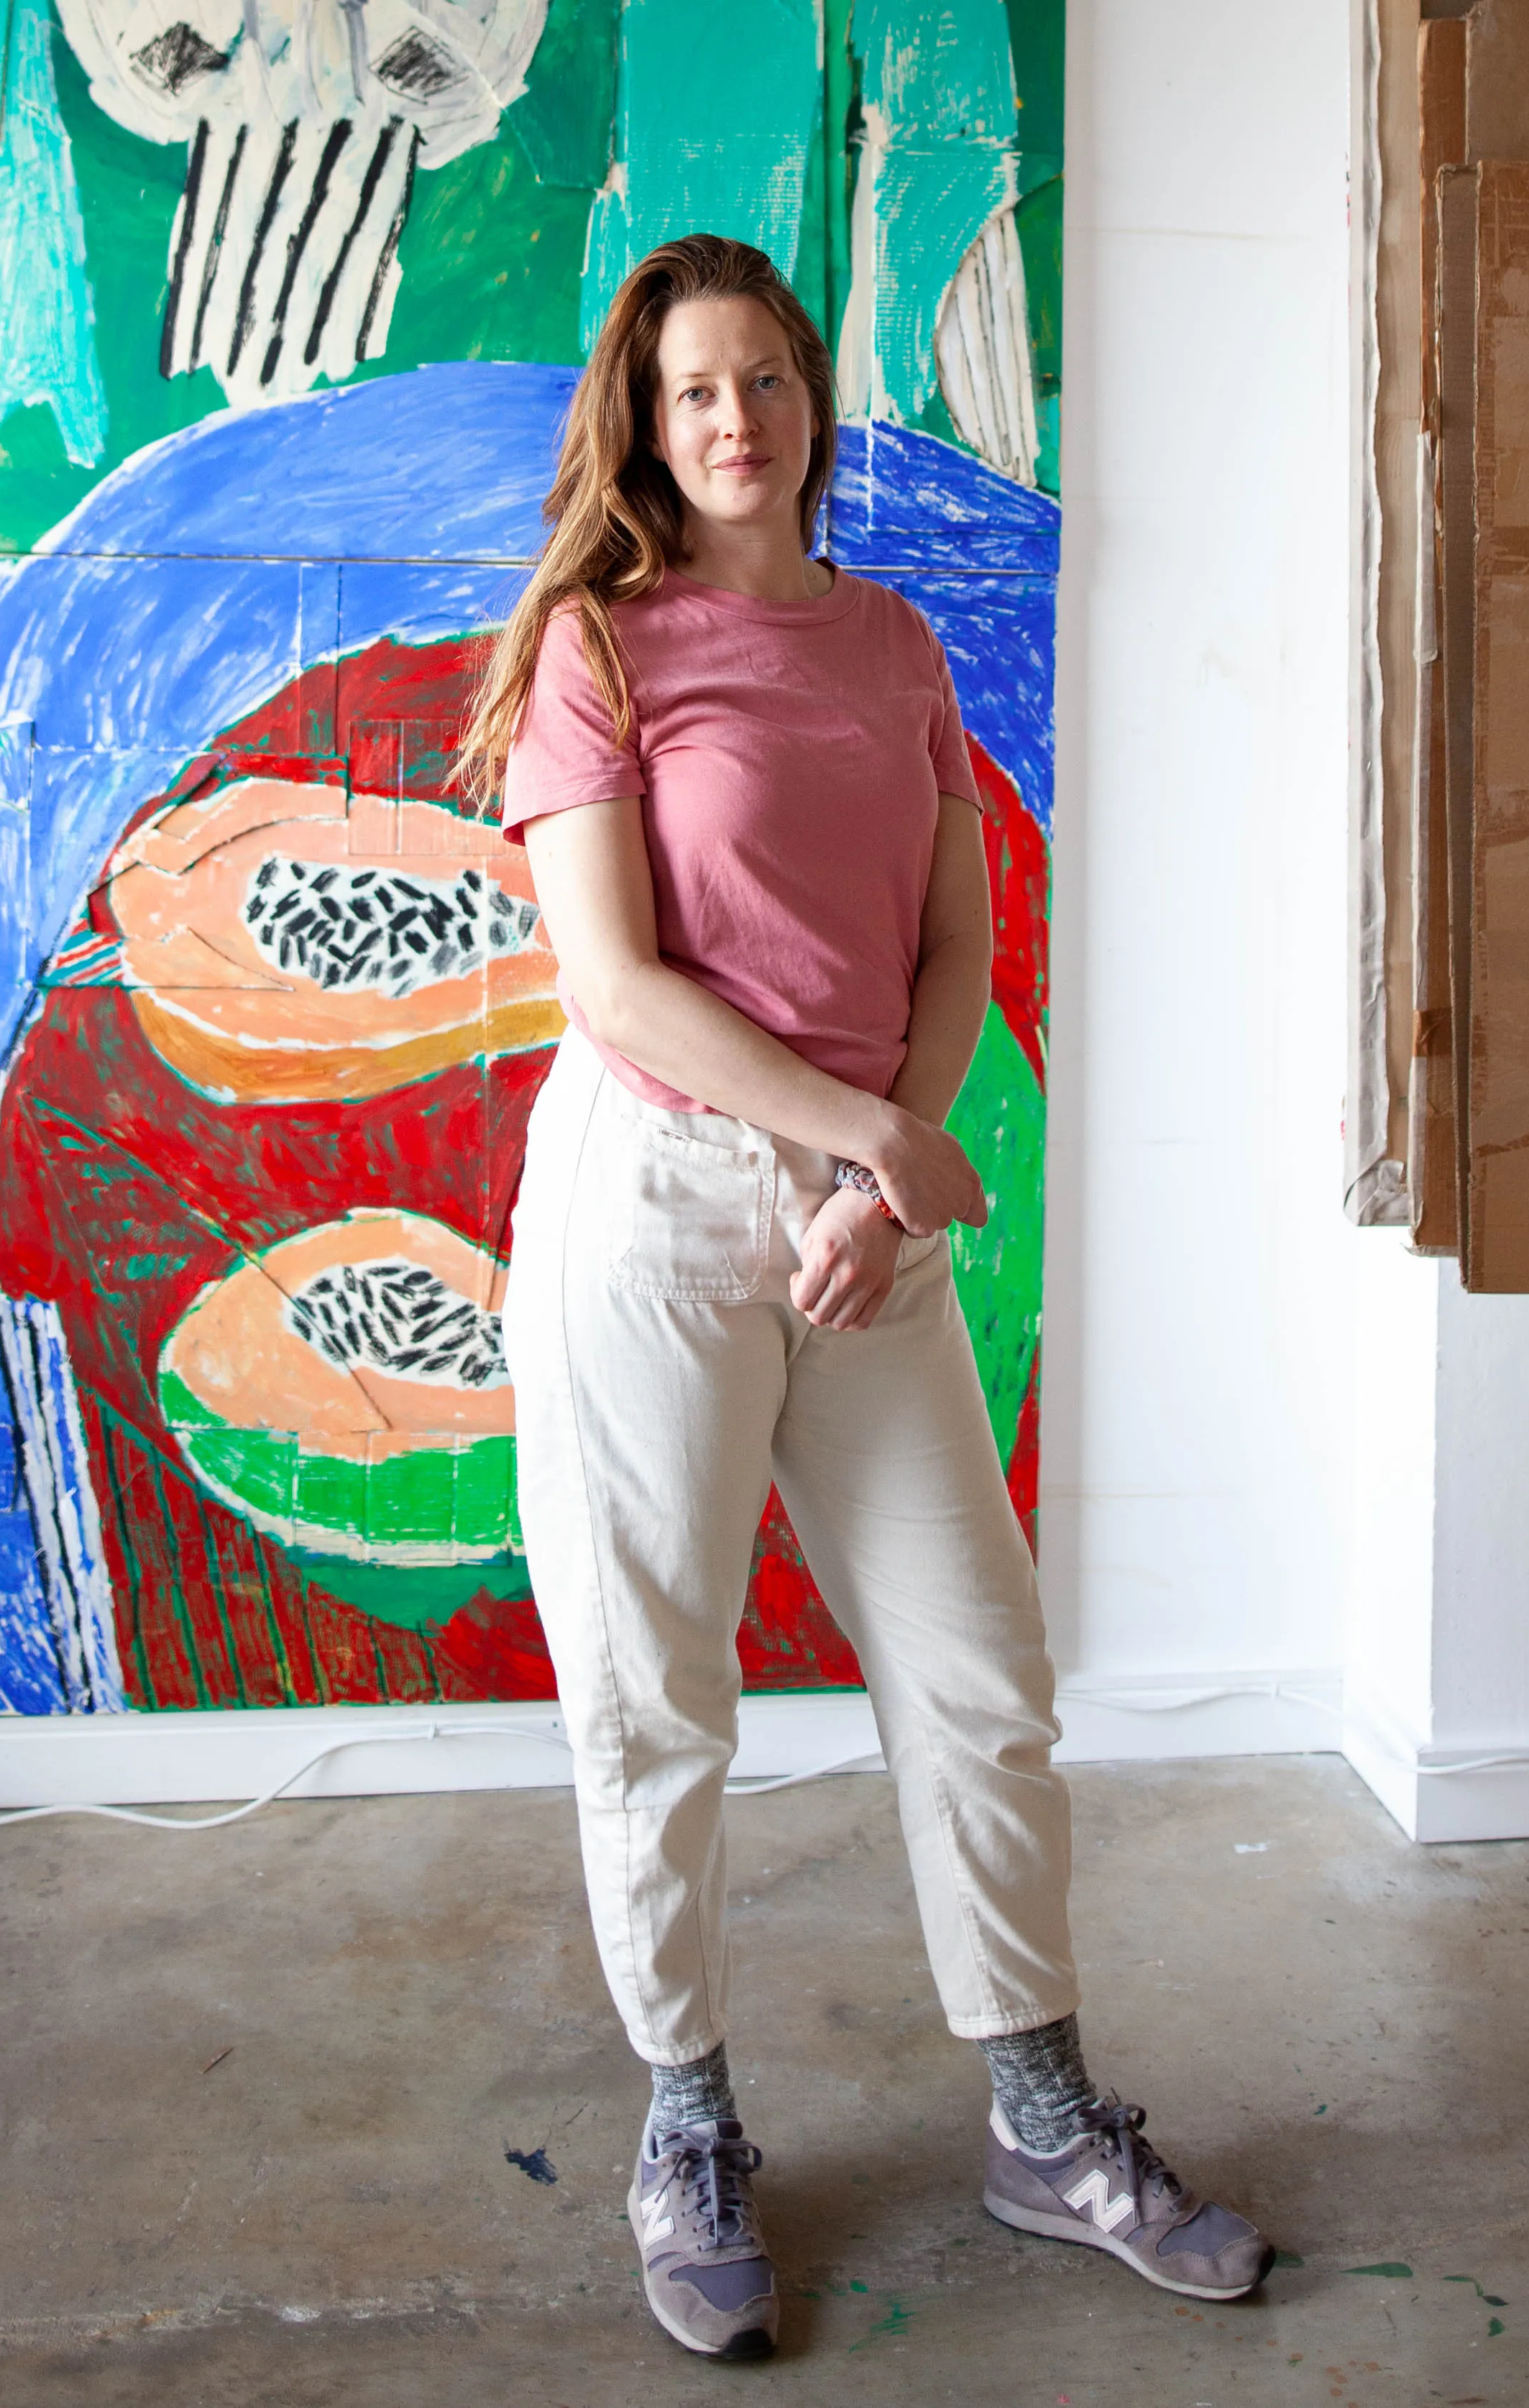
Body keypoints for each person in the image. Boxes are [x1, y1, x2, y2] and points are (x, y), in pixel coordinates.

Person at [459, 232, 1270, 2363]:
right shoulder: (599, 647)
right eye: (692, 389)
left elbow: (953, 946)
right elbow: (614, 982)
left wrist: (880, 1176)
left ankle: (1042, 2119)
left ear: (813, 401)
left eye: (764, 378)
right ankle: (688, 2125)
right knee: (653, 1696)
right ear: (646, 425)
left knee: (980, 1673)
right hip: (649, 1204)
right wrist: (871, 1139)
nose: (733, 418)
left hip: (861, 1223)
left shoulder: (896, 642)